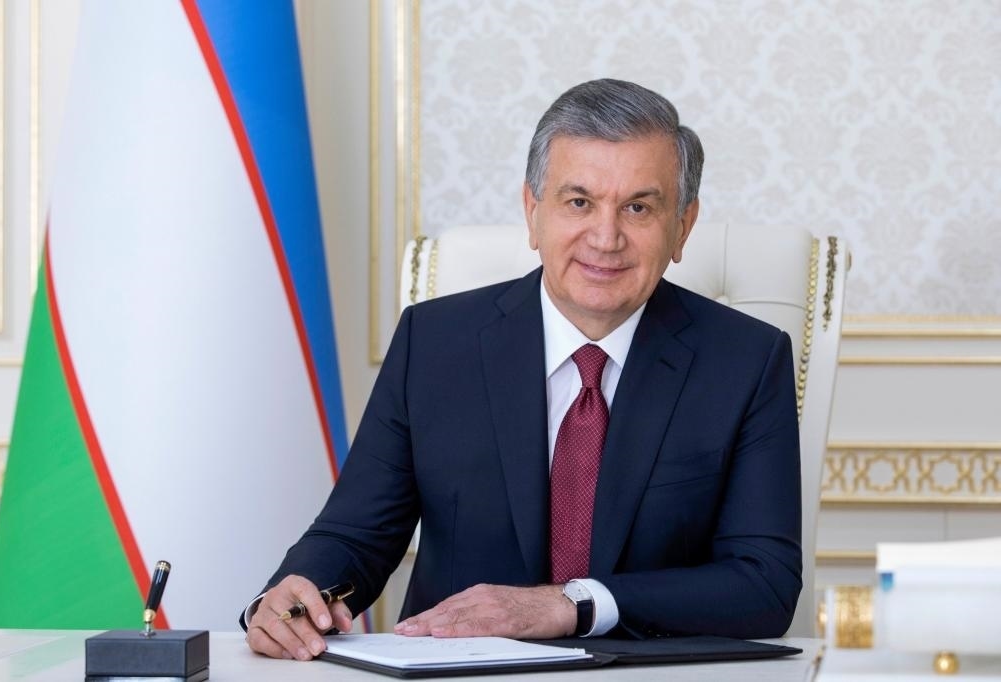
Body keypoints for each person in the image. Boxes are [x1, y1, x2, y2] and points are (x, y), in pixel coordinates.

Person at [242, 78, 801, 661]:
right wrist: (290, 601)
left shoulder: (747, 360)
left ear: (682, 226)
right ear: (533, 212)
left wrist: (572, 604)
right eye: (578, 202)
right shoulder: (433, 343)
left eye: (638, 207)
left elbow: (763, 582)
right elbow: (356, 535)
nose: (605, 237)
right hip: (456, 674)